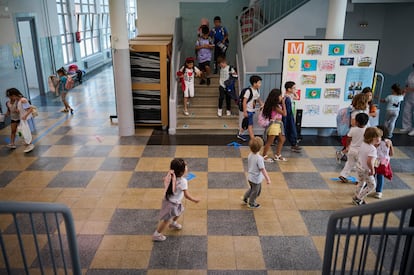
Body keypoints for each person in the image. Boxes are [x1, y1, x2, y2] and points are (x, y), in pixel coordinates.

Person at [152, 158, 200, 242]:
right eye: (185, 167)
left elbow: (165, 180)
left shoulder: (170, 175)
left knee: (180, 210)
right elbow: (186, 195)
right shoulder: (183, 181)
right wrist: (194, 200)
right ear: (182, 172)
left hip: (171, 201)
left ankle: (173, 223)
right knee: (166, 220)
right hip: (172, 203)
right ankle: (157, 234)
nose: (187, 168)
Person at [352, 127, 383, 205]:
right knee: (372, 186)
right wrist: (372, 170)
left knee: (361, 182)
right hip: (366, 170)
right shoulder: (372, 149)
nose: (380, 139)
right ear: (373, 138)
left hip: (359, 167)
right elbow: (369, 161)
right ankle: (359, 198)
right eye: (378, 137)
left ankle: (356, 197)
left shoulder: (363, 144)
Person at [338, 113, 369, 183]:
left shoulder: (353, 129)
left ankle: (343, 175)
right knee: (360, 165)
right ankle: (359, 180)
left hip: (352, 149)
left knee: (349, 163)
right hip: (361, 151)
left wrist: (347, 146)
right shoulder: (367, 130)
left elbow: (348, 138)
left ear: (356, 121)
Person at [242, 136, 271, 209]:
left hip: (250, 177)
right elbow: (262, 169)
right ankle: (251, 203)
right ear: (261, 147)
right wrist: (268, 179)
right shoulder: (259, 158)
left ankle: (245, 197)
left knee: (252, 189)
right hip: (256, 179)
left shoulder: (250, 155)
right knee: (256, 192)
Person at [5, 88, 35, 153]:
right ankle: (28, 144)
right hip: (23, 119)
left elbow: (30, 109)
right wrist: (18, 111)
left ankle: (30, 144)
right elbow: (22, 109)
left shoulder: (23, 100)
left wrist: (25, 115)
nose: (11, 98)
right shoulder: (19, 101)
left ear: (14, 95)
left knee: (26, 132)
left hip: (26, 119)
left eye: (11, 96)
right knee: (22, 132)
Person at [261, 89, 287, 162]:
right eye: (280, 96)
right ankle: (264, 156)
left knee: (282, 139)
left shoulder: (277, 105)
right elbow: (284, 114)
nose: (281, 97)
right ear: (276, 97)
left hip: (278, 125)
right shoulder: (275, 106)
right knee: (270, 141)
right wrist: (283, 103)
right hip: (274, 125)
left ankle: (277, 155)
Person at [237, 75, 264, 142]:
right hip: (248, 111)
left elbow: (258, 98)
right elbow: (244, 101)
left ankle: (240, 133)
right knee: (250, 125)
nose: (260, 84)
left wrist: (262, 104)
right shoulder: (248, 91)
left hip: (251, 111)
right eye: (259, 83)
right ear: (254, 83)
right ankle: (253, 139)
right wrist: (245, 111)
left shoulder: (256, 90)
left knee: (247, 124)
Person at [373, 125, 393, 199]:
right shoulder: (388, 142)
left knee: (372, 174)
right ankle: (379, 191)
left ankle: (366, 187)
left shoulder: (375, 142)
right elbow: (391, 153)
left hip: (376, 161)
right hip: (384, 162)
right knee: (380, 176)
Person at [282, 81, 302, 153]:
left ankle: (293, 144)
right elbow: (286, 109)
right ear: (288, 89)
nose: (295, 89)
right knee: (290, 130)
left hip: (290, 115)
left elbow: (297, 97)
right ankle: (293, 144)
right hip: (288, 116)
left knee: (290, 130)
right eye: (293, 88)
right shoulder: (286, 98)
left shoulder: (289, 96)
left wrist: (294, 92)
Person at [401, 64, 414, 136]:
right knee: (406, 111)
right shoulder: (411, 74)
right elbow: (407, 83)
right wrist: (405, 90)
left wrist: (409, 89)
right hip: (409, 96)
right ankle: (407, 127)